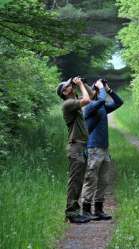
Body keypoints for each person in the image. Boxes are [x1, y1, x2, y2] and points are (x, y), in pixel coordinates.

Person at [81, 79, 123, 220]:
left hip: (104, 149)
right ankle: (86, 210)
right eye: (97, 91)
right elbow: (101, 100)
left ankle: (98, 210)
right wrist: (100, 88)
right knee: (91, 179)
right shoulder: (90, 106)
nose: (100, 92)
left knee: (103, 180)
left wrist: (109, 90)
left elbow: (119, 102)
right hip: (93, 148)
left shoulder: (102, 107)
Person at [57, 76, 92, 224]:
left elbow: (90, 95)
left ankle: (75, 212)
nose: (71, 86)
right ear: (64, 92)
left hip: (81, 145)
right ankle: (71, 213)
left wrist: (82, 83)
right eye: (68, 85)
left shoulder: (73, 102)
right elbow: (87, 100)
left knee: (79, 180)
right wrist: (79, 85)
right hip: (76, 146)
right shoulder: (68, 104)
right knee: (75, 180)